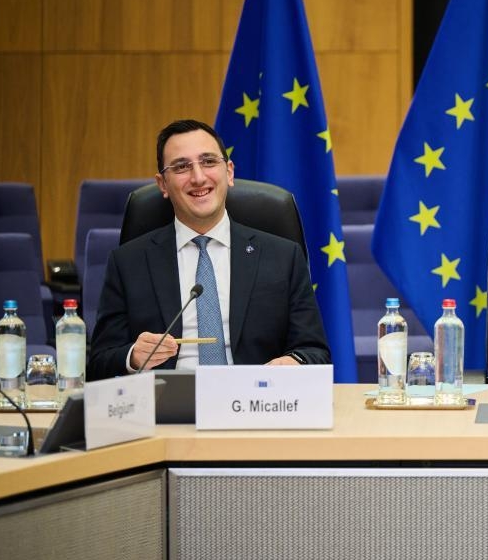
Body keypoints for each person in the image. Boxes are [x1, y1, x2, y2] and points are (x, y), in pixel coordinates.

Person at [87, 119, 330, 379]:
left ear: (229, 172)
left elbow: (314, 352)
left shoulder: (283, 257)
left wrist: (293, 362)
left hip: (253, 396)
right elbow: (99, 362)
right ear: (163, 184)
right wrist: (133, 356)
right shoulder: (128, 262)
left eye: (209, 162)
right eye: (181, 167)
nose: (198, 177)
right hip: (166, 399)